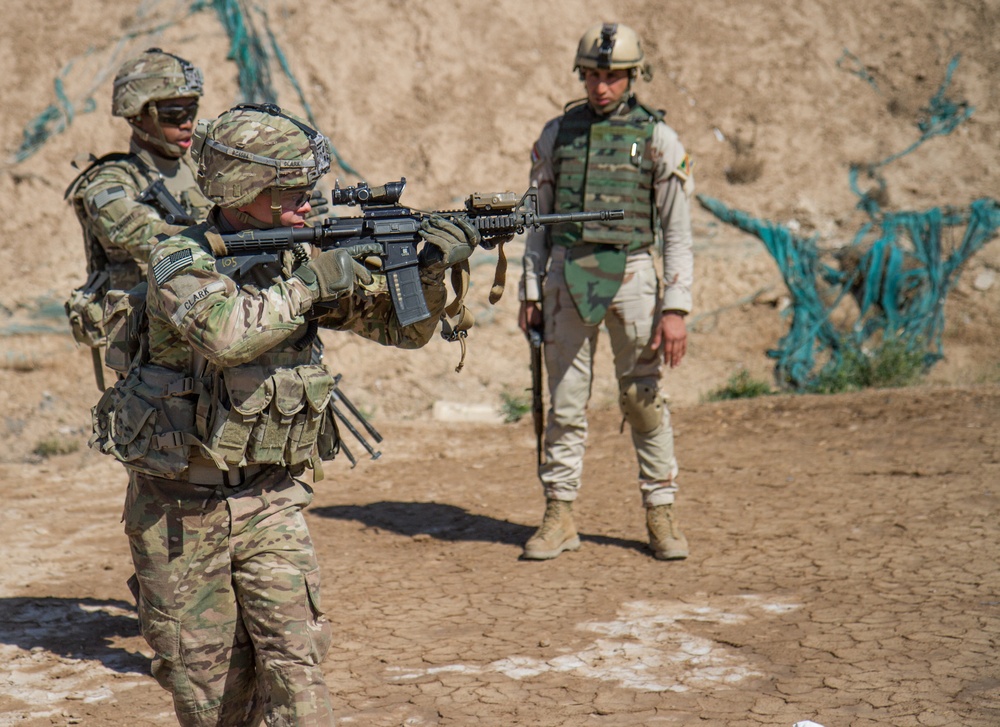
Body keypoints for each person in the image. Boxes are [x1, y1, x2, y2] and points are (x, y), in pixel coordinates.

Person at [92, 103, 479, 725]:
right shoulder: (178, 260)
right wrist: (313, 283)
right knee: (212, 692)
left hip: (271, 499)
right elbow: (225, 333)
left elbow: (400, 331)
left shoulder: (298, 254)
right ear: (245, 192)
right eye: (292, 191)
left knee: (296, 670)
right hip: (179, 511)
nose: (308, 203)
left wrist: (429, 268)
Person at [518, 22, 695, 561]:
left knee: (643, 399)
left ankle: (661, 513)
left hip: (635, 276)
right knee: (565, 405)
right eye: (593, 75)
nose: (601, 87)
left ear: (632, 77)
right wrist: (530, 288)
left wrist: (676, 308)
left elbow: (678, 230)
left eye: (613, 76)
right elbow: (538, 218)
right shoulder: (557, 135)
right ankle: (560, 514)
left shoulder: (660, 139)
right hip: (566, 275)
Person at [65, 48, 214, 385]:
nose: (187, 122)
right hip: (149, 350)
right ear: (137, 114)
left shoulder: (202, 171)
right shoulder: (109, 181)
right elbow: (142, 235)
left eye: (192, 110)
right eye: (174, 113)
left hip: (209, 328)